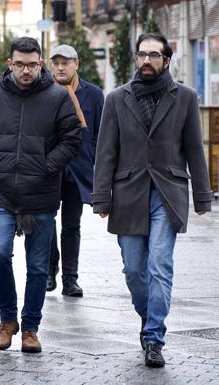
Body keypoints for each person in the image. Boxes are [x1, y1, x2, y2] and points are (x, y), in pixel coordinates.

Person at [92, 32, 212, 368]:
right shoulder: (116, 99)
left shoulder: (185, 97)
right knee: (134, 271)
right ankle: (149, 321)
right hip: (128, 193)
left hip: (168, 192)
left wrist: (202, 196)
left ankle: (154, 338)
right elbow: (106, 152)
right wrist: (101, 197)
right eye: (142, 55)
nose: (147, 61)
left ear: (166, 60)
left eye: (154, 55)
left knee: (160, 265)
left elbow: (194, 150)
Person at [0, 37, 81, 353]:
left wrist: (47, 166)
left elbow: (71, 140)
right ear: (10, 64)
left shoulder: (58, 97)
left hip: (42, 195)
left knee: (37, 267)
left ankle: (30, 328)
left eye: (31, 64)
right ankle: (7, 320)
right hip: (4, 194)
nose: (25, 70)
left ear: (40, 64)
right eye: (19, 64)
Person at [46, 45, 104, 297]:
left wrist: (89, 155)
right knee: (44, 222)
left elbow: (99, 133)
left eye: (65, 62)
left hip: (77, 170)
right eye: (56, 62)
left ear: (76, 64)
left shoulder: (93, 94)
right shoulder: (43, 91)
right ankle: (50, 271)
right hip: (48, 169)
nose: (60, 67)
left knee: (72, 225)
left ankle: (70, 278)